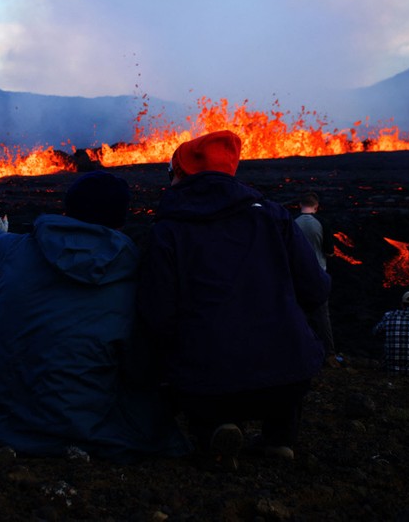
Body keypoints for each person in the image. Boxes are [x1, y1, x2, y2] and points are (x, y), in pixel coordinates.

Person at [0, 171, 190, 462]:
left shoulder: (14, 250)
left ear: (66, 209)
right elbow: (141, 368)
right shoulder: (134, 275)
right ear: (121, 220)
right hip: (84, 430)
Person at [137, 130, 331, 469]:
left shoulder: (167, 231)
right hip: (288, 375)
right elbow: (315, 289)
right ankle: (280, 438)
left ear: (180, 174)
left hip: (209, 380)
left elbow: (158, 316)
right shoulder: (274, 216)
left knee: (193, 361)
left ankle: (216, 429)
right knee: (286, 351)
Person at [294, 191, 339, 367]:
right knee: (322, 316)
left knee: (298, 314)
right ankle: (329, 354)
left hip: (296, 276)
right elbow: (329, 252)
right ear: (316, 206)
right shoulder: (322, 223)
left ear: (300, 205)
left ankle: (298, 351)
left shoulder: (292, 222)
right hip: (318, 275)